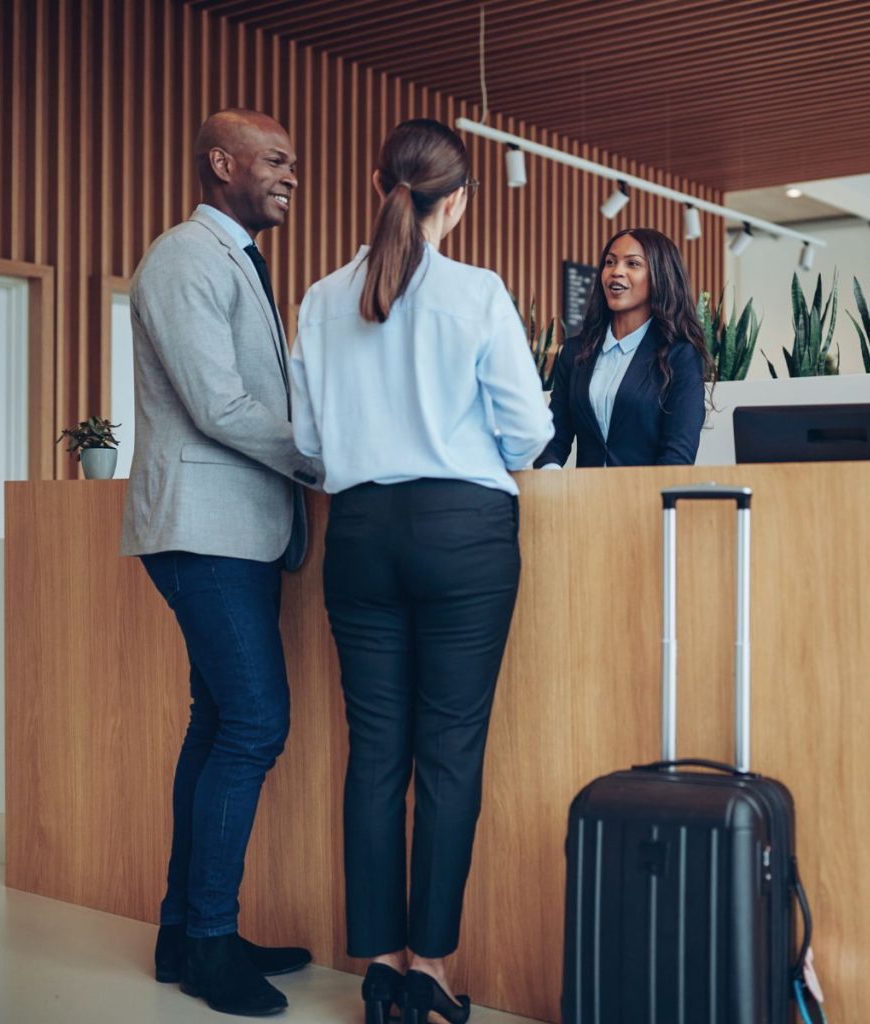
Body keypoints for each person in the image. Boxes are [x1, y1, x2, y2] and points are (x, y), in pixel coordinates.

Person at [290, 118, 553, 1024]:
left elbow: (309, 445)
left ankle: (379, 968)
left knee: (376, 755)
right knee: (448, 754)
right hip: (462, 533)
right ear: (461, 202)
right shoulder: (477, 294)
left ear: (378, 183)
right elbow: (527, 433)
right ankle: (430, 970)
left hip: (358, 533)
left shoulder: (321, 298)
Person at [120, 108, 322, 1018]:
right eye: (275, 159)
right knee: (253, 727)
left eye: (292, 162)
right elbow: (218, 403)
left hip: (233, 533)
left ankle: (184, 934)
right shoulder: (185, 257)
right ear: (220, 162)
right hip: (204, 533)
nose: (290, 174)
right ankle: (208, 943)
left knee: (215, 727)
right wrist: (324, 456)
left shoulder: (232, 258)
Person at [534, 227, 712, 469]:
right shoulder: (576, 351)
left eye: (633, 264)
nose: (616, 272)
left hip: (645, 499)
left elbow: (678, 454)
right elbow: (554, 437)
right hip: (581, 500)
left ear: (660, 275)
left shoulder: (680, 355)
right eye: (610, 262)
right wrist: (551, 476)